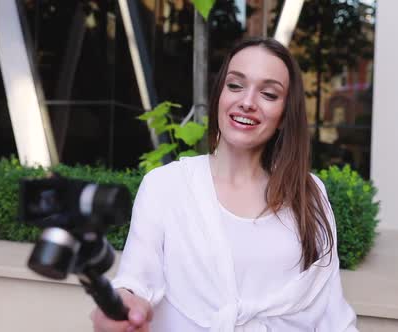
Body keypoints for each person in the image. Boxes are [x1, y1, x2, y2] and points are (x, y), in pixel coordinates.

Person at [91, 37, 358, 332]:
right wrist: (121, 308)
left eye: (268, 94)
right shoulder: (165, 186)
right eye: (235, 85)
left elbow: (332, 314)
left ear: (284, 115)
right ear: (220, 95)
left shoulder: (309, 193)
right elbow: (135, 282)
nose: (247, 101)